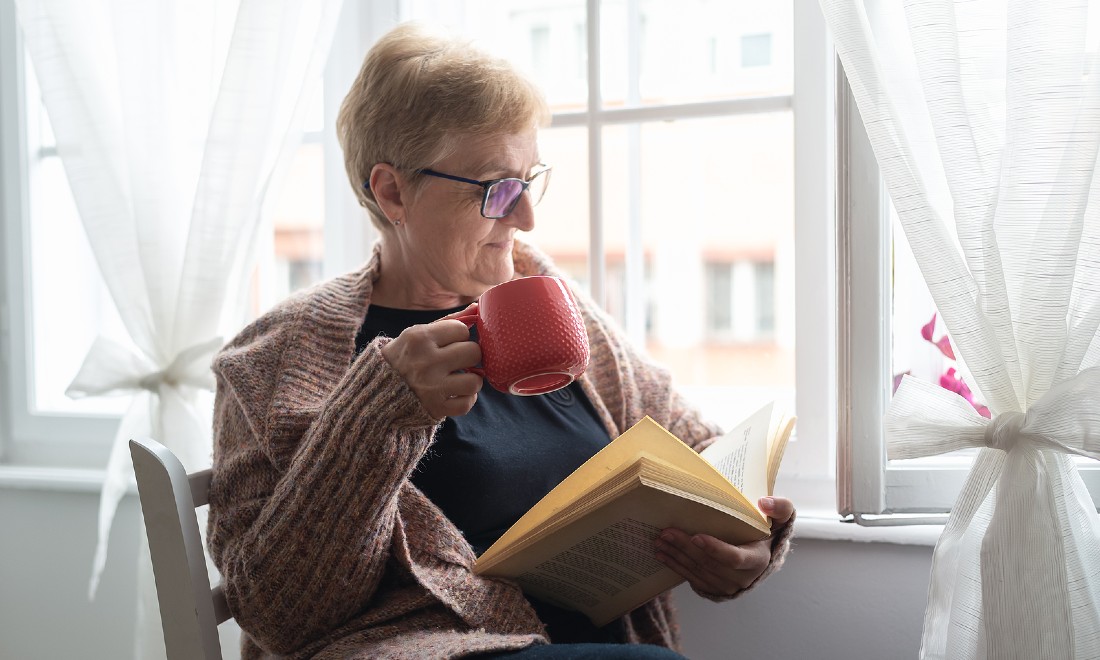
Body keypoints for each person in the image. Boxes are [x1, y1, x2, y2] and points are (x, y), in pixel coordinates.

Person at [207, 22, 795, 660]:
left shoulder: (545, 295)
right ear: (392, 191)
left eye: (528, 181)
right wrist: (375, 416)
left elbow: (692, 442)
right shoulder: (276, 359)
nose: (526, 218)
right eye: (497, 190)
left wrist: (743, 538)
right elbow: (278, 615)